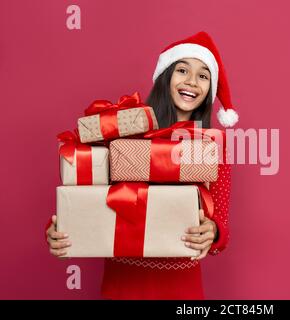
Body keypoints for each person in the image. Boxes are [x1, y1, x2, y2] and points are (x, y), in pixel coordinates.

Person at [45, 31, 238, 299]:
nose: (192, 81)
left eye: (203, 75)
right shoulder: (125, 129)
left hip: (181, 289)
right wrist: (60, 227)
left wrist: (213, 232)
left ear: (210, 89)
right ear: (166, 75)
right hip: (123, 285)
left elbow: (221, 226)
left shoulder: (212, 147)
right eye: (182, 70)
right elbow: (83, 194)